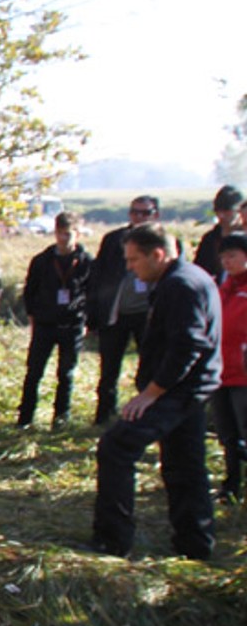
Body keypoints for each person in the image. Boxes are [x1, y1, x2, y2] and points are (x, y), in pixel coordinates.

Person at [88, 221, 221, 560]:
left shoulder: (180, 286)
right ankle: (195, 544)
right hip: (191, 390)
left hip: (177, 392)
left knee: (116, 446)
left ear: (158, 254)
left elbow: (187, 346)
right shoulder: (191, 277)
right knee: (185, 466)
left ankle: (112, 539)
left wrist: (152, 392)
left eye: (134, 260)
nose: (129, 267)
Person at [16, 210, 92, 428]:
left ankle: (61, 418)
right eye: (60, 233)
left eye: (68, 234)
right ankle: (25, 417)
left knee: (66, 374)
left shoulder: (86, 262)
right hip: (45, 324)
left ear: (77, 234)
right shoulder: (42, 261)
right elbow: (30, 291)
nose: (63, 239)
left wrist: (86, 320)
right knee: (34, 372)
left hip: (72, 324)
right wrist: (33, 317)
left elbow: (93, 293)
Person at [88, 195, 160, 424]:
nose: (139, 217)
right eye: (134, 212)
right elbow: (96, 278)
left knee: (150, 368)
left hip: (148, 316)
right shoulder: (114, 239)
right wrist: (93, 316)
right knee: (109, 369)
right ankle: (104, 417)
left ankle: (147, 416)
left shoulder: (165, 242)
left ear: (155, 215)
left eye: (144, 213)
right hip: (116, 313)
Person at [213, 233, 247, 501]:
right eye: (223, 257)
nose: (227, 262)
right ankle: (231, 484)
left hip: (243, 375)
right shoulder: (224, 288)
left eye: (233, 256)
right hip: (221, 372)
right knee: (227, 434)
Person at [192, 185, 243, 280]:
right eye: (218, 211)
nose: (221, 215)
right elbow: (198, 271)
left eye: (227, 211)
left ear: (239, 211)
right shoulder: (209, 240)